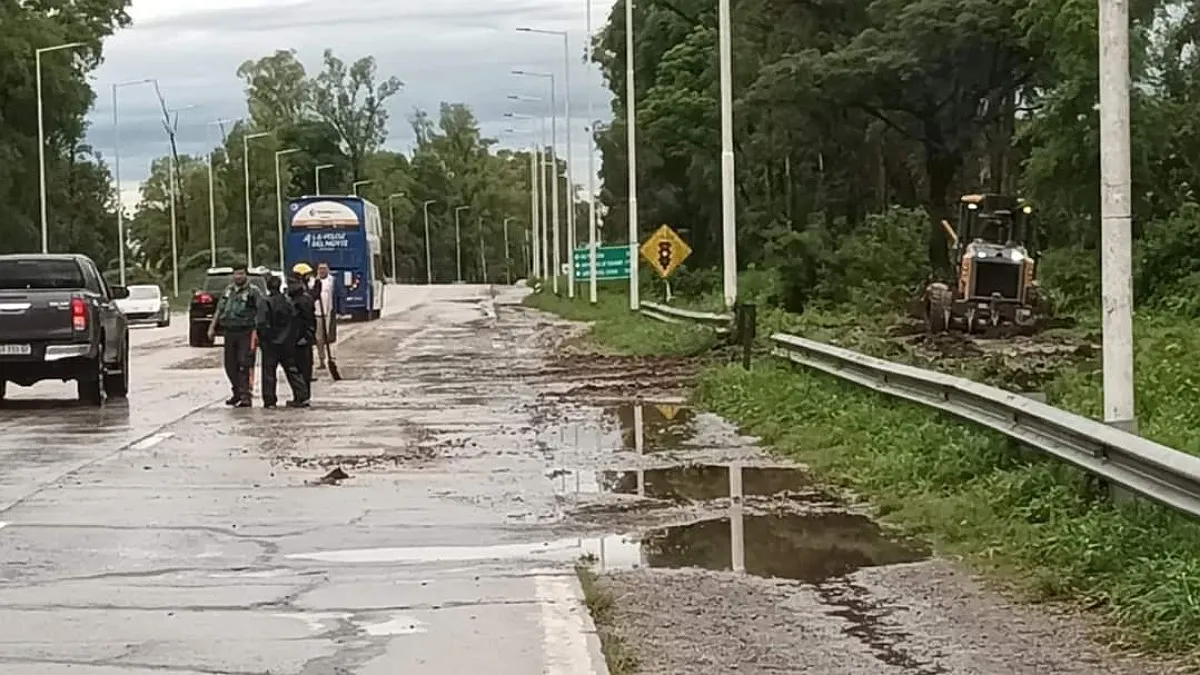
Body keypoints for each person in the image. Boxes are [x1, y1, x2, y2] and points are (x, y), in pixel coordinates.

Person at [209, 263, 263, 407]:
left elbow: (261, 312)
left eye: (241, 274)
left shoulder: (253, 292)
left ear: (246, 275)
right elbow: (219, 309)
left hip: (246, 331)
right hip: (229, 331)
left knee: (244, 363)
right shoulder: (228, 290)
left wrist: (258, 331)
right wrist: (212, 327)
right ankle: (236, 392)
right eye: (236, 274)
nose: (238, 276)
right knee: (230, 365)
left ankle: (245, 395)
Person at [257, 274, 298, 409]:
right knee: (291, 369)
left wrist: (263, 339)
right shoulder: (288, 301)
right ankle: (301, 394)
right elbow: (294, 319)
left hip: (270, 343)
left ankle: (270, 400)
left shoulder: (265, 302)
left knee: (269, 372)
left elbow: (262, 323)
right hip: (287, 342)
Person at [287, 264, 318, 407]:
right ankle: (300, 396)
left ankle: (303, 397)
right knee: (298, 369)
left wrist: (307, 336)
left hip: (302, 338)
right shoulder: (298, 297)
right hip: (296, 338)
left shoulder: (303, 298)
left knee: (302, 369)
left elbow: (309, 320)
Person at [308, 262, 345, 372]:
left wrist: (341, 311)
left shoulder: (332, 281)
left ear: (328, 270)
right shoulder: (312, 281)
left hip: (329, 313)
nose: (322, 270)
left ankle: (331, 357)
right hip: (317, 313)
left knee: (329, 337)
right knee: (319, 338)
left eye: (324, 268)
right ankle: (322, 360)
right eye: (320, 268)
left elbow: (339, 295)